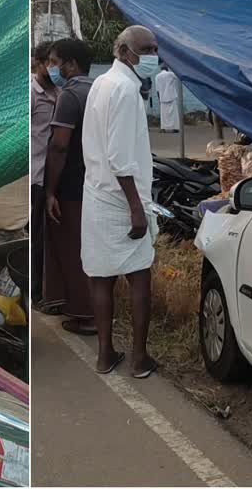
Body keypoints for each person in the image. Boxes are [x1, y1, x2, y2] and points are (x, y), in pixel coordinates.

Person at [81, 25, 160, 377]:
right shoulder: (126, 90)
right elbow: (119, 157)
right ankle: (139, 358)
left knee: (101, 277)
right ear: (126, 51)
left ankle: (104, 355)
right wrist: (136, 208)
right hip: (121, 198)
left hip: (97, 194)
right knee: (139, 276)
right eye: (148, 49)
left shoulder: (101, 83)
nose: (153, 57)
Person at [42, 38, 96, 334]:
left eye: (54, 61)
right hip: (97, 183)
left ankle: (84, 315)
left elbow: (59, 146)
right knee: (89, 248)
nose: (52, 67)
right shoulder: (100, 90)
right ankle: (89, 310)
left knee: (72, 248)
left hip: (72, 184)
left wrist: (50, 190)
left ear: (71, 64)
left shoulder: (70, 95)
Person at [30, 42, 59, 307]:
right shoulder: (30, 92)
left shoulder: (61, 91)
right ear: (37, 63)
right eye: (48, 63)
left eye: (56, 62)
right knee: (37, 239)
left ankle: (49, 290)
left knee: (51, 238)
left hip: (55, 177)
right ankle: (35, 292)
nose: (53, 68)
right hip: (36, 177)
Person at [154, 63, 180, 133]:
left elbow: (157, 89)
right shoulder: (170, 74)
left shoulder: (157, 76)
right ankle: (175, 128)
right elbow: (177, 76)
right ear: (167, 68)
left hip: (162, 97)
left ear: (161, 69)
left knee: (164, 115)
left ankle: (163, 128)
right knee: (174, 113)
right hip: (171, 96)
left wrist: (159, 99)